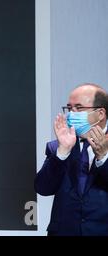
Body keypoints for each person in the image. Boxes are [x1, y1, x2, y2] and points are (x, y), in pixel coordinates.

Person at [35, 83, 108, 236]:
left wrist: (103, 157)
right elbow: (43, 188)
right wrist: (62, 152)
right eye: (69, 108)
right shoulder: (58, 146)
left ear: (100, 113)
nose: (71, 114)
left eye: (79, 108)